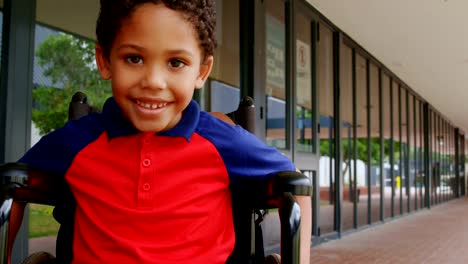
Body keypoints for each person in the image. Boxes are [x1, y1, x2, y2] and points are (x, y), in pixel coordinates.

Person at [12, 0, 311, 263]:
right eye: (134, 58)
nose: (154, 81)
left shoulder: (223, 142)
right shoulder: (78, 141)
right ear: (104, 61)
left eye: (176, 62)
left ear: (202, 72)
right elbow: (12, 185)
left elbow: (297, 187)